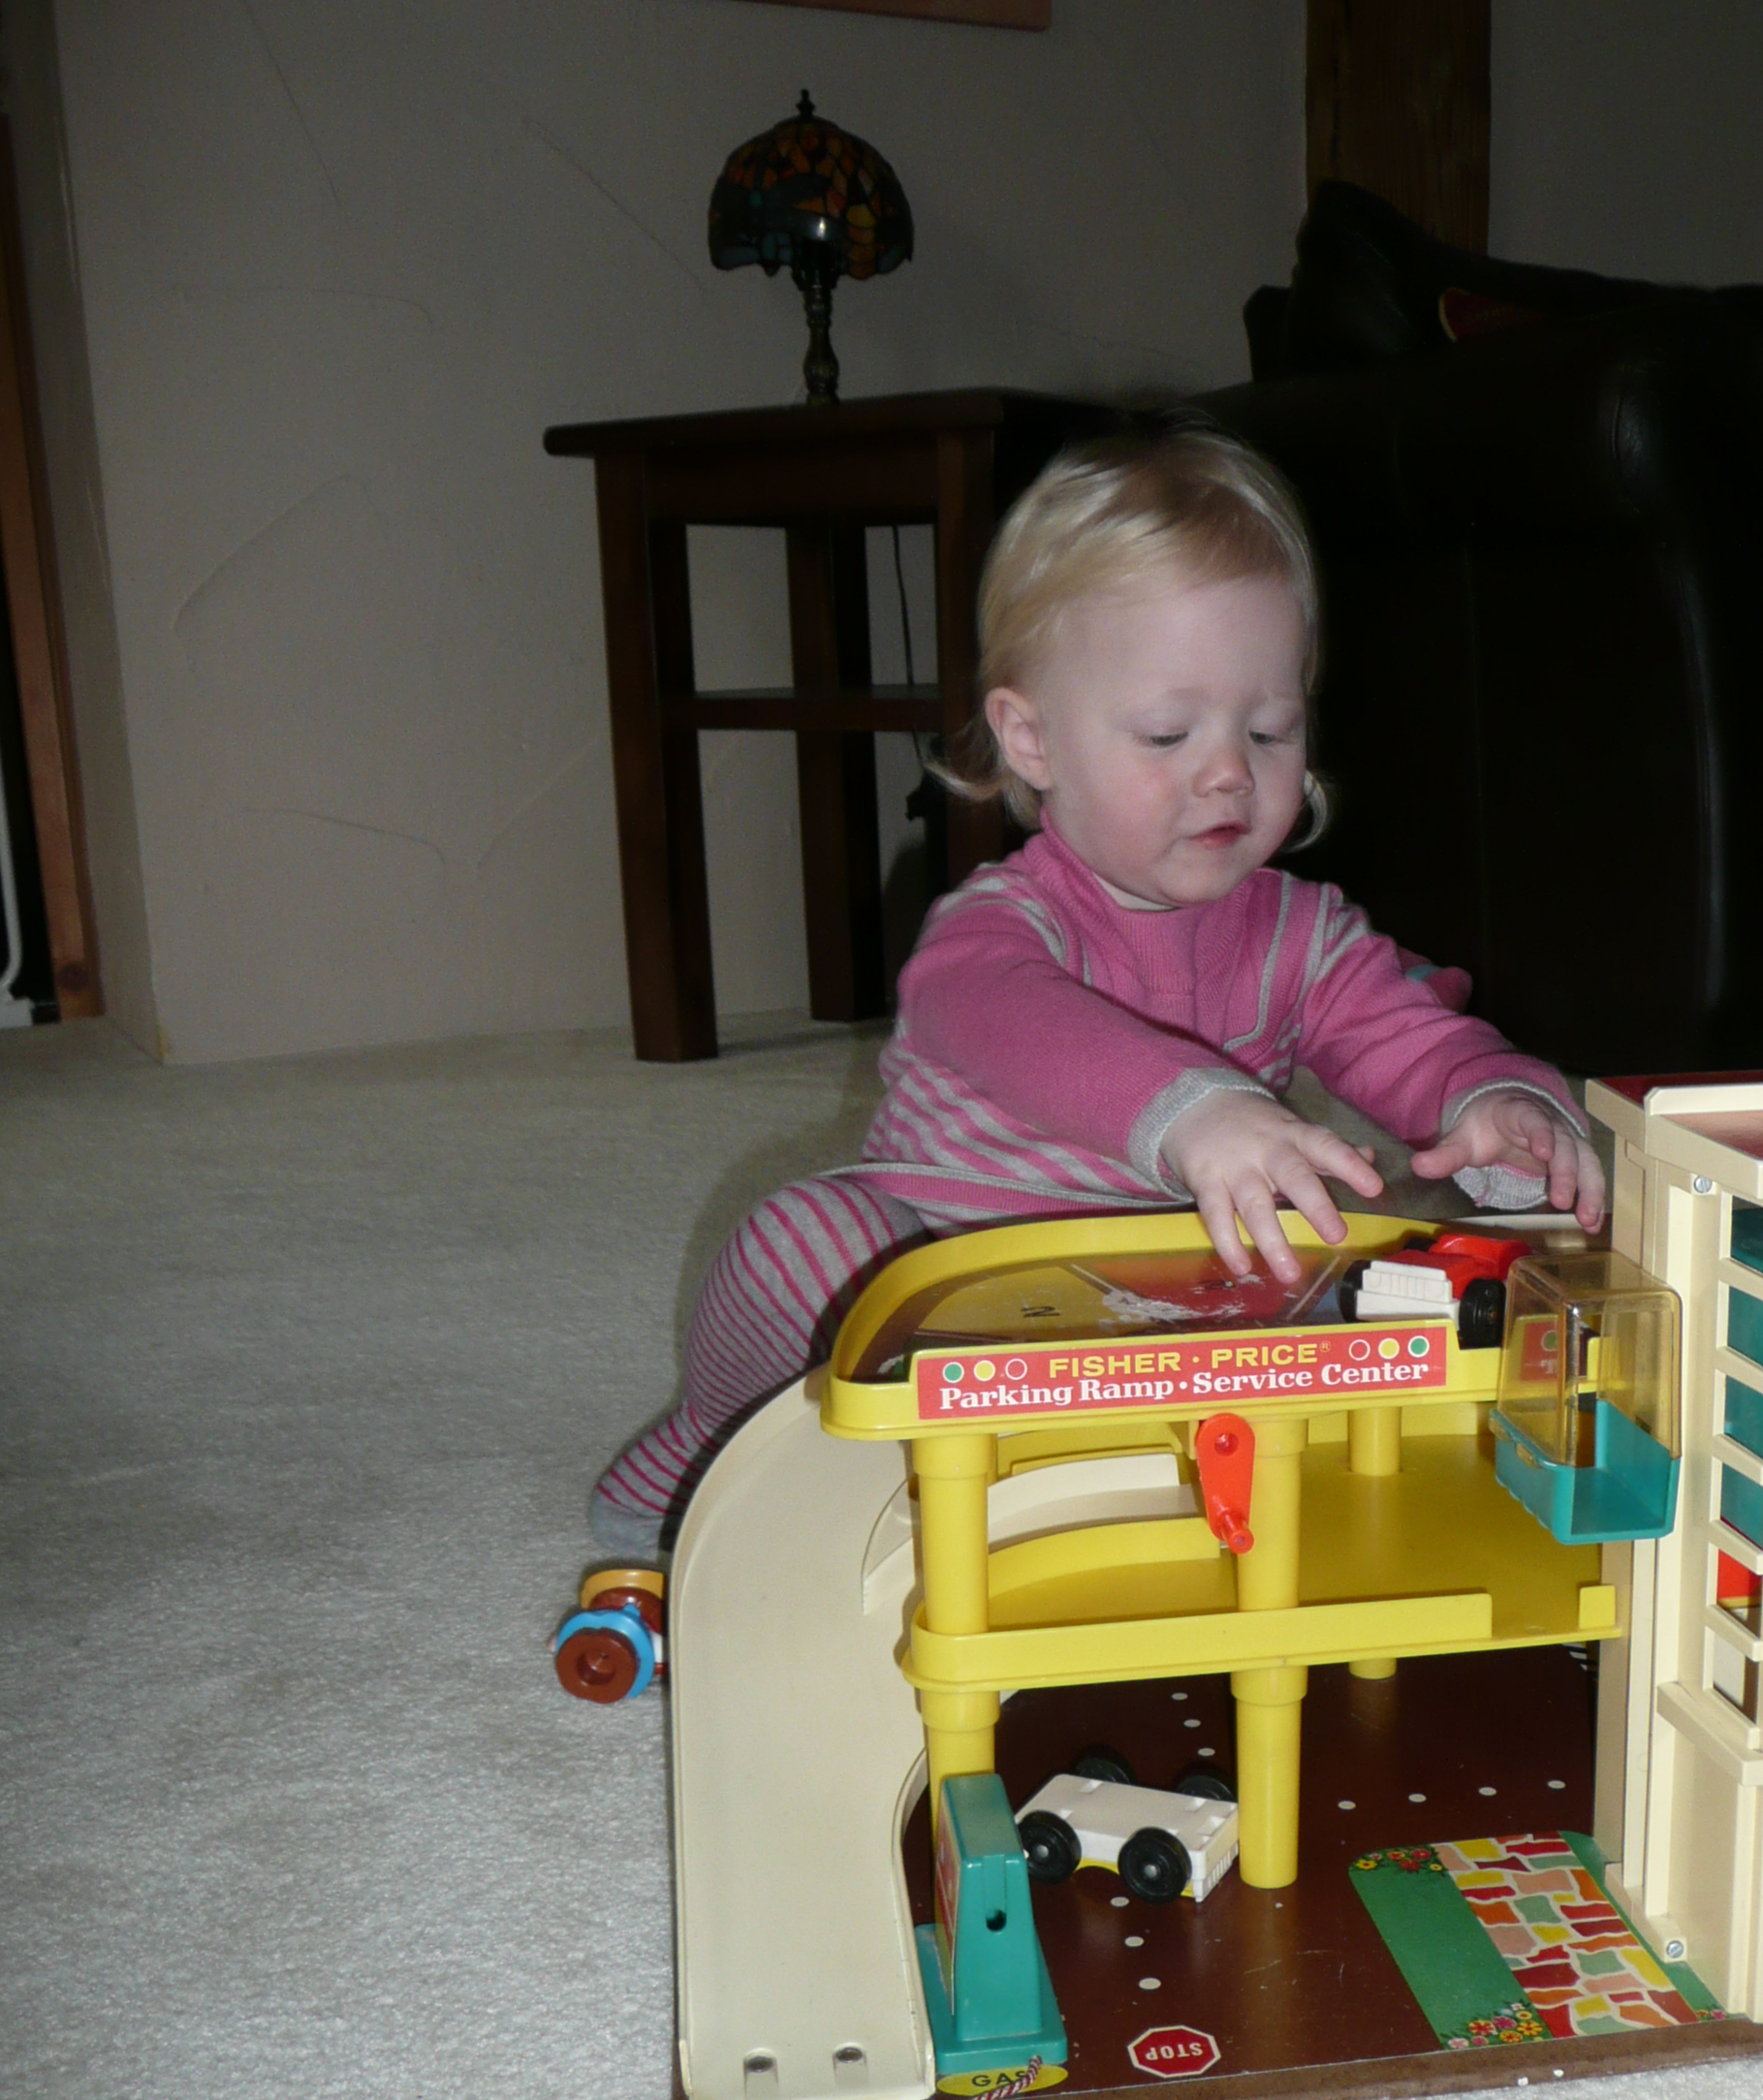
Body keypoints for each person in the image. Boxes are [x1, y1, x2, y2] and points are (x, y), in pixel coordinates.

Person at [590, 424, 1605, 1555]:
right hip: (944, 1283)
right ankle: (711, 1444)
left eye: (1269, 729)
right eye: (1168, 733)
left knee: (1385, 1277)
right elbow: (1014, 1020)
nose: (1229, 771)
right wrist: (1192, 1111)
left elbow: (1401, 1029)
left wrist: (1490, 1099)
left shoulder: (1304, 932)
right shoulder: (995, 927)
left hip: (1175, 1301)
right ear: (1032, 741)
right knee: (806, 1241)